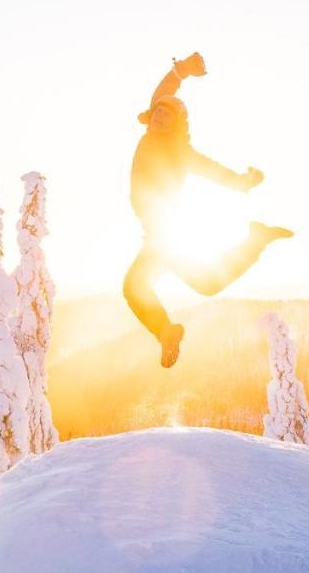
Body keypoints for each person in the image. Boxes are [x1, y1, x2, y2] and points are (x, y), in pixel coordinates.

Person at [125, 52, 292, 367]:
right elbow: (164, 94)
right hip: (159, 234)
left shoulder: (178, 150)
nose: (160, 117)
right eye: (157, 114)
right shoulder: (150, 133)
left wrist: (243, 182)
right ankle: (255, 240)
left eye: (166, 116)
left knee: (135, 287)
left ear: (177, 123)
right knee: (204, 284)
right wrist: (181, 71)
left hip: (164, 234)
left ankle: (166, 333)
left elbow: (212, 170)